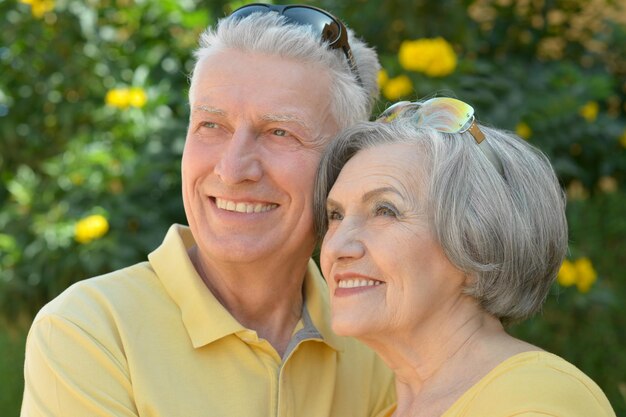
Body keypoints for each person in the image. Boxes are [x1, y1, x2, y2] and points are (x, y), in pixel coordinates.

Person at [21, 4, 396, 416]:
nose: (233, 170)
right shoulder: (89, 331)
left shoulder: (380, 345)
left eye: (280, 132)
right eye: (211, 125)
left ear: (344, 166)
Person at [314, 97, 617, 417]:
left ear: (475, 241)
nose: (336, 247)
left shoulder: (534, 405)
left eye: (385, 211)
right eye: (336, 215)